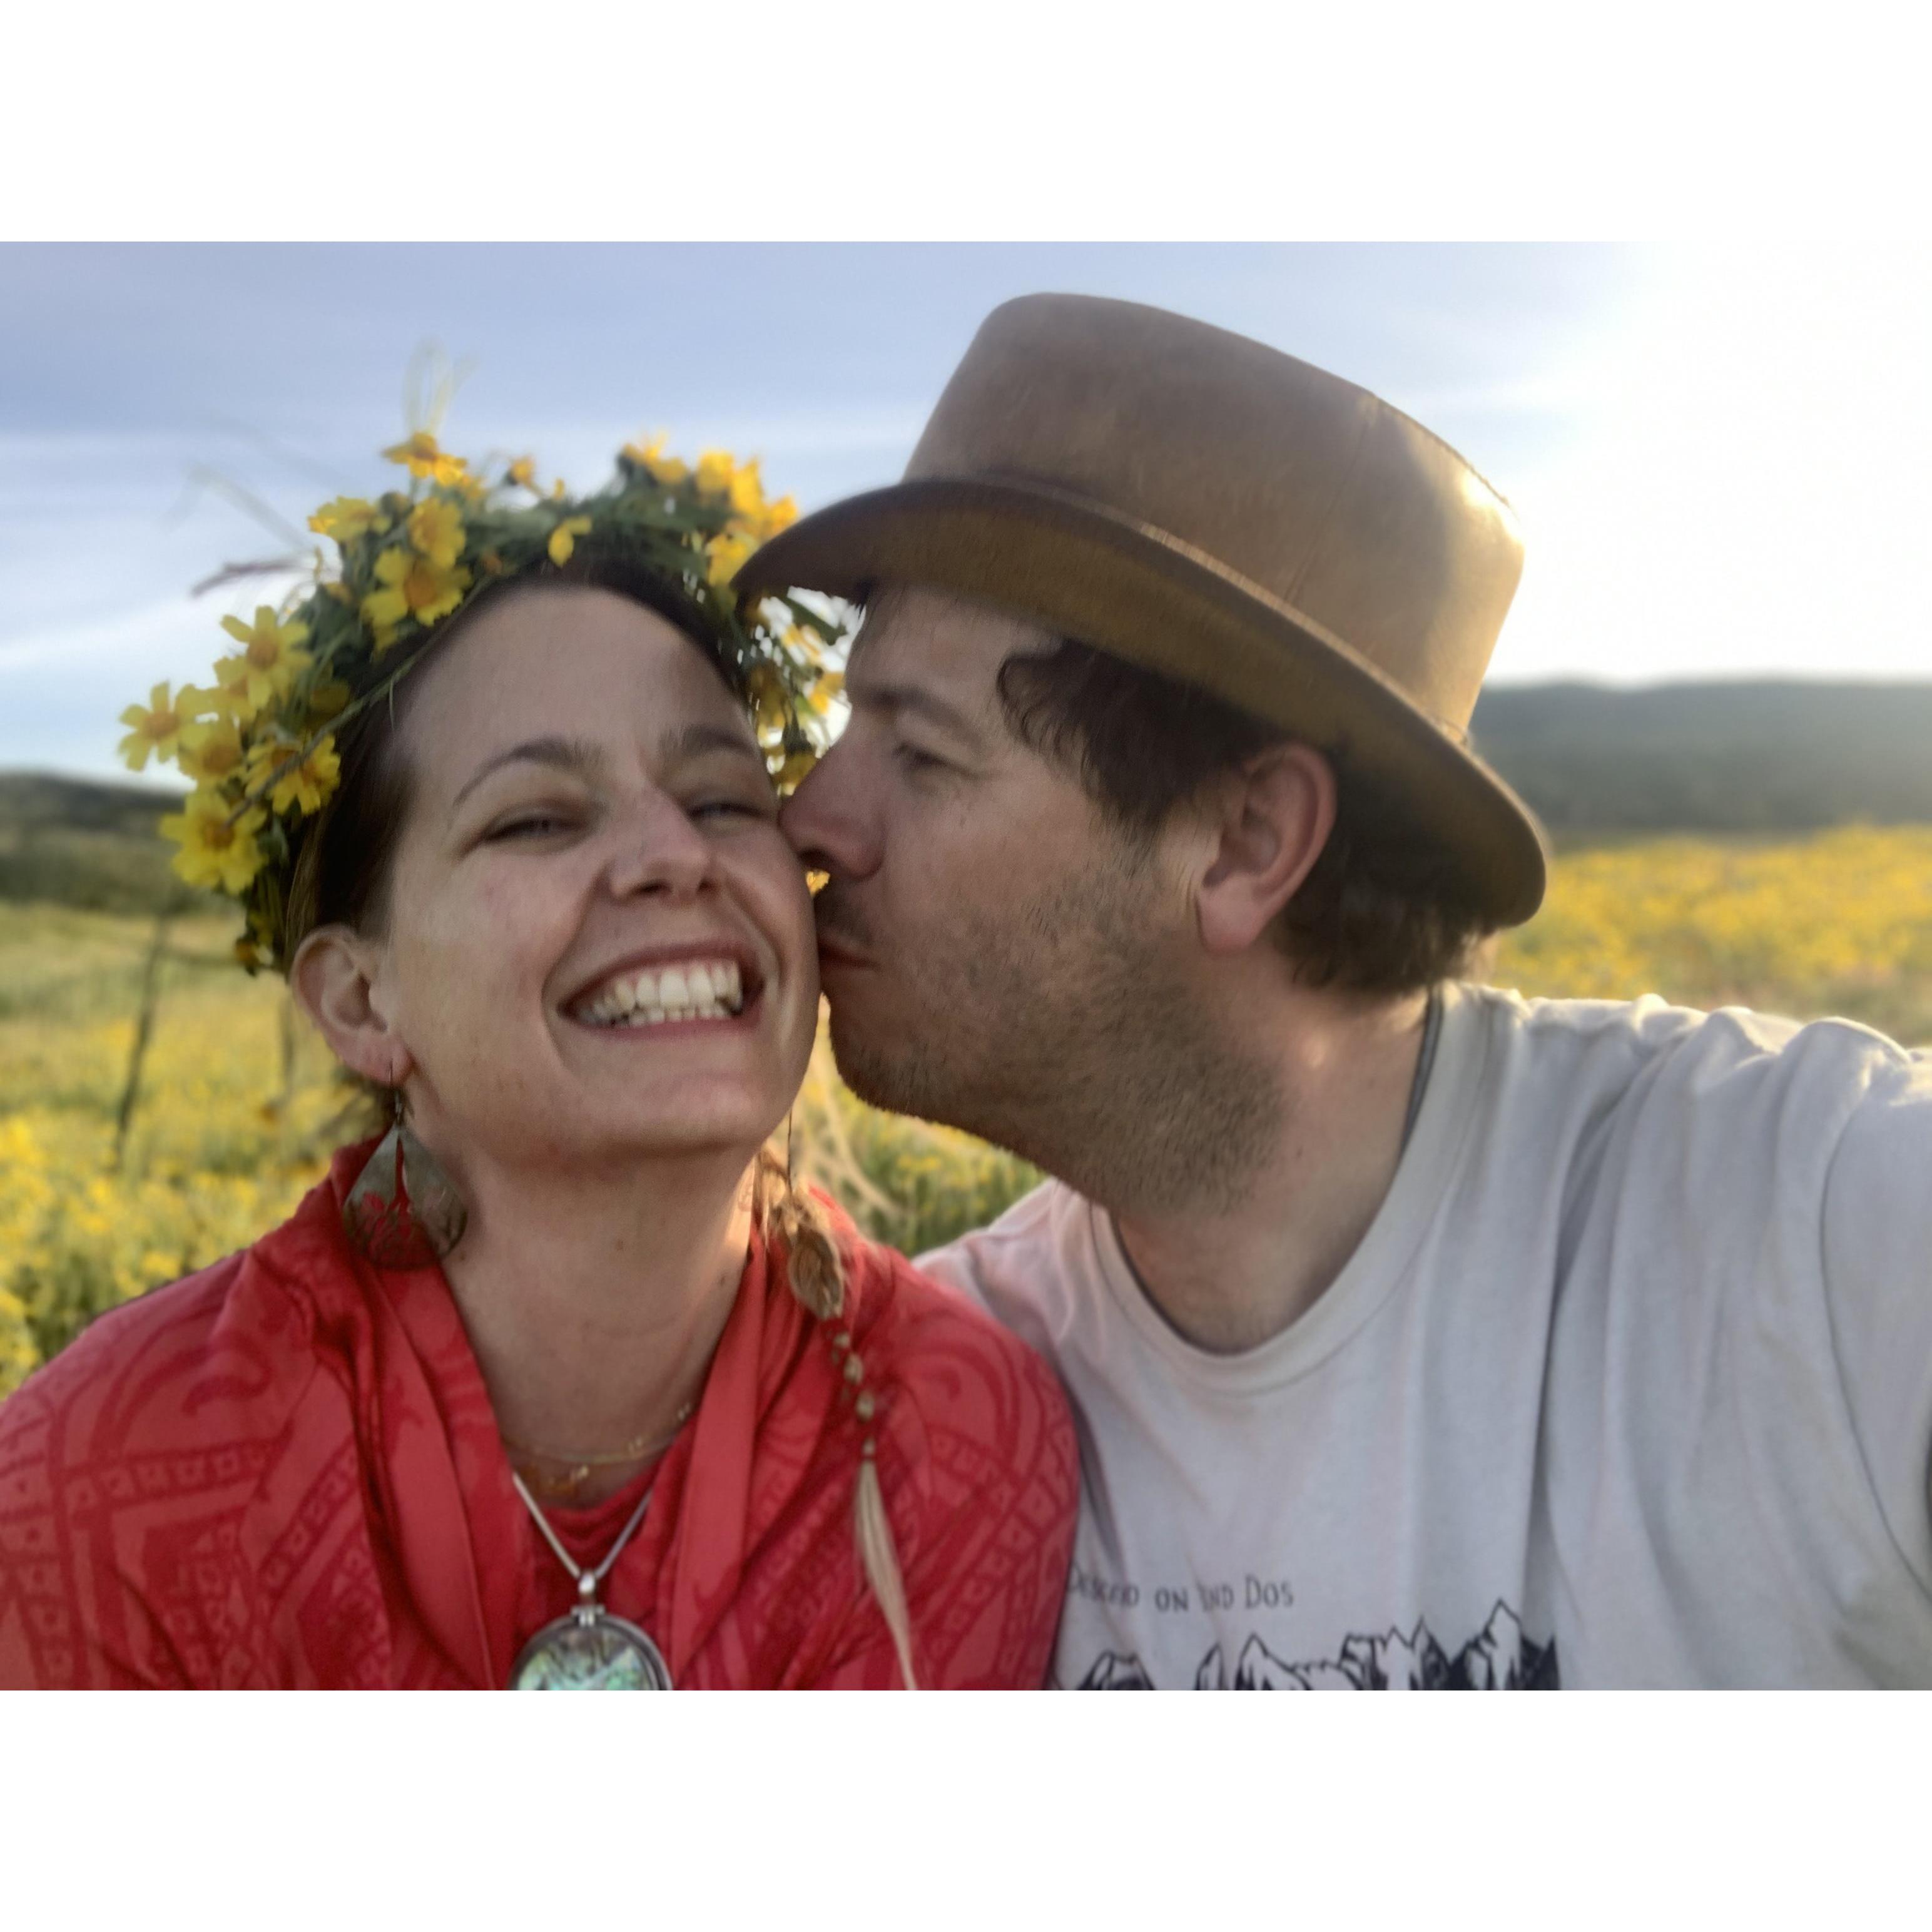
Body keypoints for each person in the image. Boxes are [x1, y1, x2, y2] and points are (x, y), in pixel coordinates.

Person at [743, 292, 1932, 1689]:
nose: (806, 819)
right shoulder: (957, 1381)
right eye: (841, 728)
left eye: (923, 753)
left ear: (1245, 844)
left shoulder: (1805, 1219)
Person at [0, 432, 1076, 1690]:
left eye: (725, 796)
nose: (673, 853)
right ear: (357, 997)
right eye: (537, 817)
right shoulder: (90, 1484)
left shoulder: (962, 1438)